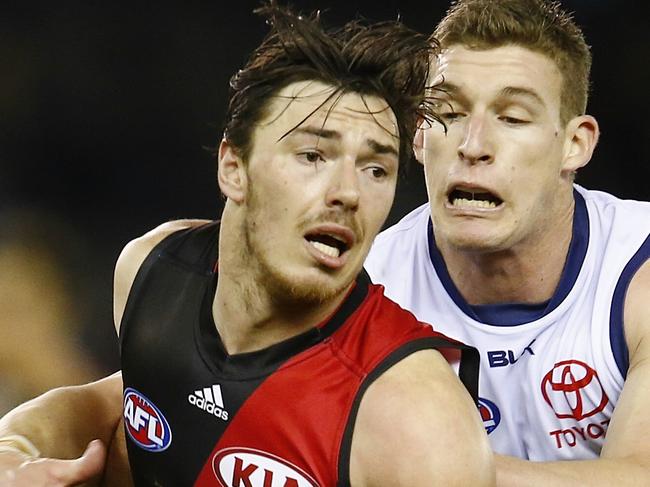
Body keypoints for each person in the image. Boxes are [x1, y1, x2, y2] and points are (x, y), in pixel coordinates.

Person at [0, 3, 494, 487]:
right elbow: (122, 404)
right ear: (233, 169)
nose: (348, 192)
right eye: (313, 155)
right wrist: (16, 447)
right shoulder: (156, 271)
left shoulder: (415, 416)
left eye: (376, 169)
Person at [364, 0, 650, 485]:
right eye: (448, 112)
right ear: (418, 135)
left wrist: (433, 470)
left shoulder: (637, 269)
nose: (472, 145)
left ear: (574, 144)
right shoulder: (369, 284)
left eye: (513, 118)